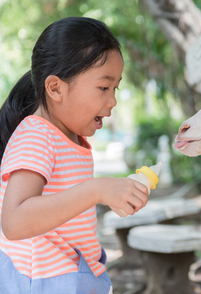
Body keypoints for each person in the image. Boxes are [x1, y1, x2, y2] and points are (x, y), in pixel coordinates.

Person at [0, 17, 149, 294]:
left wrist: (109, 194)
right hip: (43, 282)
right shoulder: (36, 135)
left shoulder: (69, 138)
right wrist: (96, 190)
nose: (113, 100)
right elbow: (15, 221)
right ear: (56, 88)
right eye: (104, 87)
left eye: (115, 88)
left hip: (72, 277)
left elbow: (66, 210)